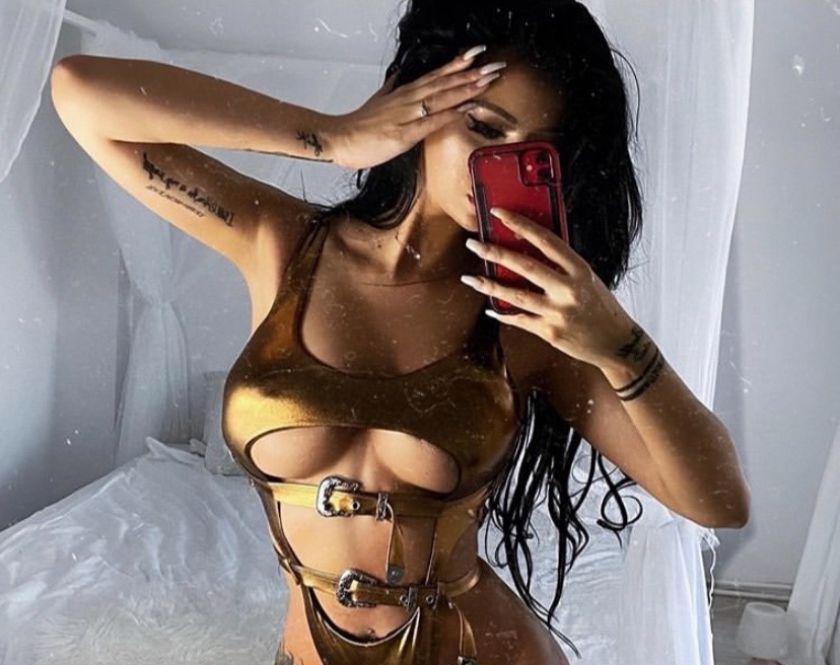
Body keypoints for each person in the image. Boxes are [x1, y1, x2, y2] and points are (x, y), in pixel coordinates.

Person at [50, 1, 751, 663]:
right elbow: (80, 92)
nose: (495, 168)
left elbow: (718, 501)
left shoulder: (527, 319)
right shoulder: (284, 246)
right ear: (413, 106)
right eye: (483, 128)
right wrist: (335, 136)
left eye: (534, 155)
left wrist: (618, 342)